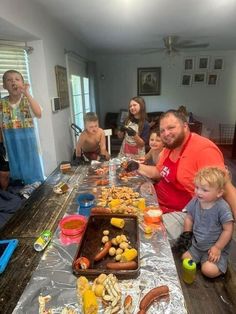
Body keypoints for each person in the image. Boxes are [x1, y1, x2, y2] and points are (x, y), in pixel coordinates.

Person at [124, 110, 236, 240]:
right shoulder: (169, 148)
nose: (166, 134)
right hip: (159, 202)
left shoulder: (204, 150)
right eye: (162, 130)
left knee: (144, 235)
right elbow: (158, 172)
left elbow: (226, 188)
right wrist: (137, 166)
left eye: (171, 127)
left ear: (185, 127)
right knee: (127, 217)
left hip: (186, 213)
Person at [181, 167, 234, 278]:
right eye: (197, 187)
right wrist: (186, 235)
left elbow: (228, 229)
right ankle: (200, 260)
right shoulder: (196, 200)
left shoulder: (222, 208)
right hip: (197, 244)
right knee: (183, 257)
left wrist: (218, 248)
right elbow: (189, 217)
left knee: (209, 271)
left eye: (204, 190)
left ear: (219, 193)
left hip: (213, 248)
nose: (198, 192)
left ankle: (213, 263)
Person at [0, 70, 44, 185]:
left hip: (29, 144)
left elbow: (39, 114)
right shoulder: (2, 103)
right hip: (11, 144)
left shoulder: (27, 100)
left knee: (33, 174)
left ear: (23, 84)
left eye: (17, 79)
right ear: (4, 86)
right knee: (16, 176)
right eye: (9, 80)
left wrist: (27, 93)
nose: (13, 82)